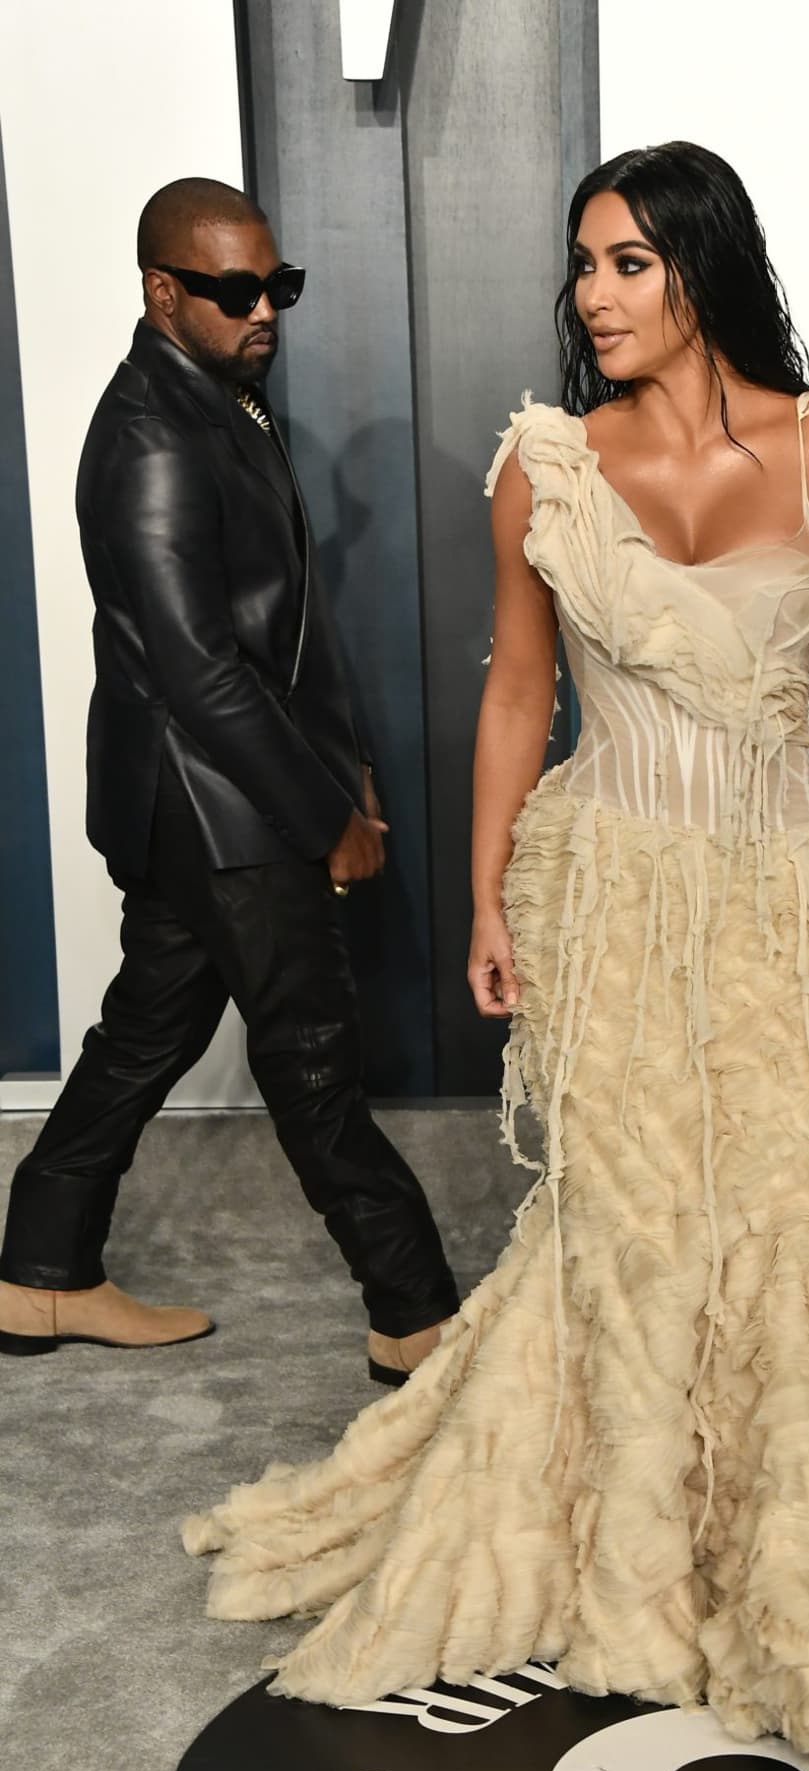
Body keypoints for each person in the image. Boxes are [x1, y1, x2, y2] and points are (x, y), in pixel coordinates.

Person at [185, 145, 809, 1771]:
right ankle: (633, 1560)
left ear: (703, 265)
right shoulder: (546, 470)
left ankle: (800, 1567)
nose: (593, 295)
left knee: (791, 1223)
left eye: (626, 262)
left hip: (774, 889)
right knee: (624, 1226)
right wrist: (488, 901)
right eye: (583, 265)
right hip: (606, 886)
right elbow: (514, 691)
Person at [0, 178, 457, 1387]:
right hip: (221, 807)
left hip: (214, 797)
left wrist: (348, 767)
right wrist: (325, 817)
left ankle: (41, 1270)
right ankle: (414, 1314)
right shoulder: (153, 435)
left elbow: (279, 634)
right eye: (236, 290)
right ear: (163, 292)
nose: (265, 311)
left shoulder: (216, 401)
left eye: (278, 286)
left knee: (147, 1031)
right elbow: (198, 671)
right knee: (312, 1056)